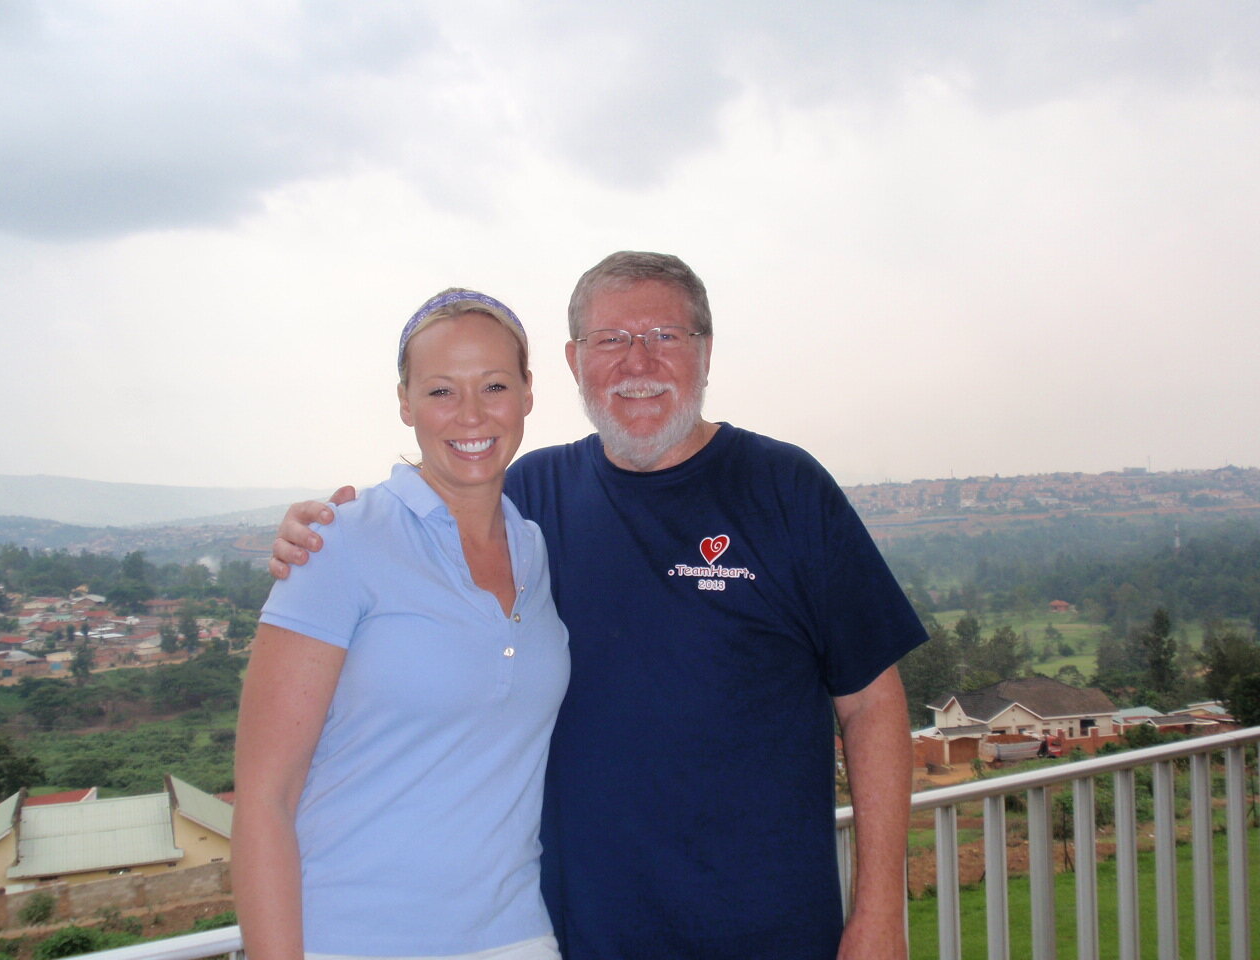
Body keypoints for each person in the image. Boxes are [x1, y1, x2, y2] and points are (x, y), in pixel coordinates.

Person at [271, 253, 928, 960]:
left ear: (705, 353)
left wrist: (880, 913)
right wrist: (319, 529)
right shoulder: (531, 498)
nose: (637, 362)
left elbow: (873, 704)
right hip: (581, 935)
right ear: (572, 361)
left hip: (770, 931)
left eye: (666, 337)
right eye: (610, 340)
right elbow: (415, 531)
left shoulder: (787, 490)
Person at [234, 290, 570, 960]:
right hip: (351, 938)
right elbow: (264, 798)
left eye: (495, 385)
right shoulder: (339, 544)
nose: (471, 414)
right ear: (405, 401)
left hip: (517, 935)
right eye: (442, 390)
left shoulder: (536, 546)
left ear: (529, 393)